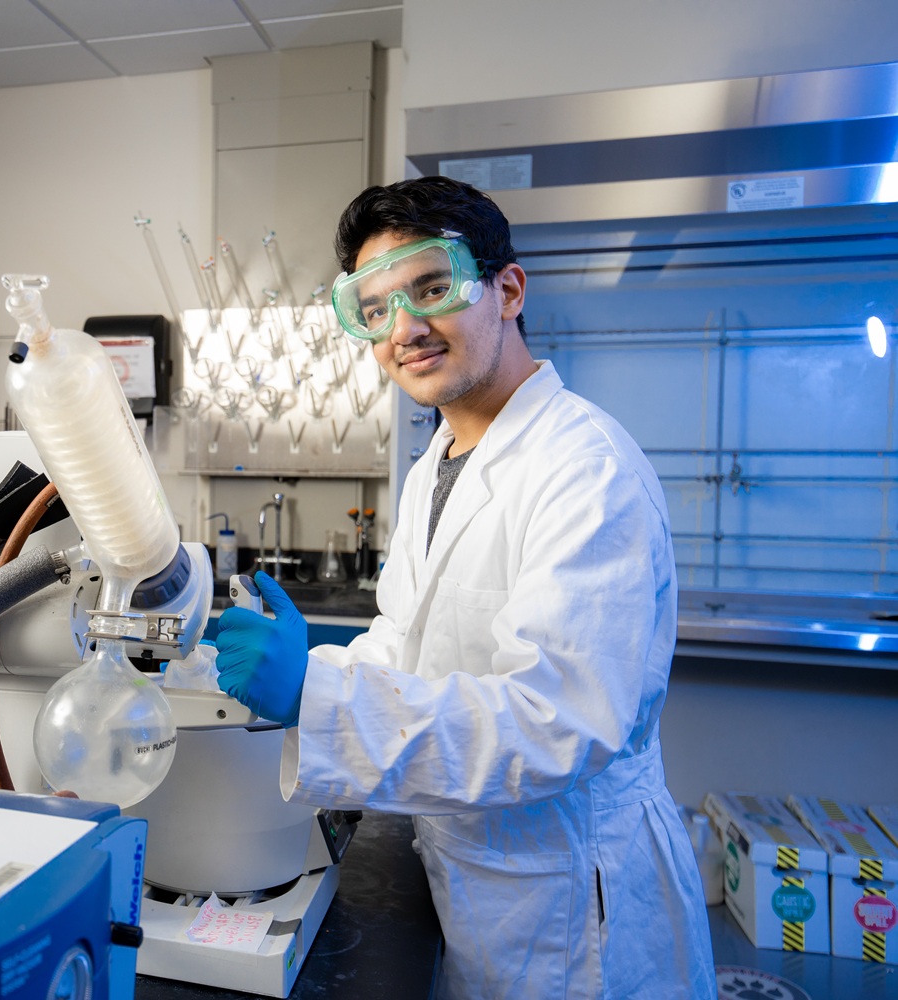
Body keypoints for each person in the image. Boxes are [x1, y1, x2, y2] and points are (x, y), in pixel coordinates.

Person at [212, 176, 716, 999]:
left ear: (507, 289)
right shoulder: (436, 464)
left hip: (573, 905)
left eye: (432, 288)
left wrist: (316, 698)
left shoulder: (585, 469)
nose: (404, 329)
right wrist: (316, 678)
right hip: (477, 874)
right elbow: (408, 643)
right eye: (374, 309)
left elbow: (559, 721)